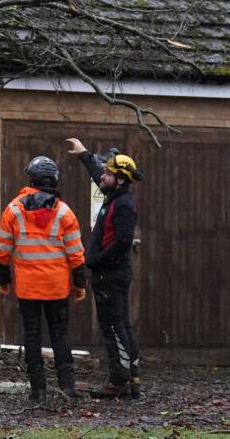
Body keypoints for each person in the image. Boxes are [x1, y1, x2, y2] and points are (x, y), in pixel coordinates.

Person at [0, 155, 88, 401]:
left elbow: (2, 250)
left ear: (32, 178)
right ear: (54, 179)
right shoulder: (65, 212)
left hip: (27, 289)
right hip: (57, 287)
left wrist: (3, 280)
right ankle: (67, 387)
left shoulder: (14, 209)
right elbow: (76, 254)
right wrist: (80, 285)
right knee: (60, 335)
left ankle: (38, 390)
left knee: (32, 337)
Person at [66, 137, 142, 399]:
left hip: (110, 275)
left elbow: (122, 243)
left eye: (109, 173)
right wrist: (84, 153)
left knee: (113, 328)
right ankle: (132, 379)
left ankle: (118, 382)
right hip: (110, 274)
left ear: (120, 179)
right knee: (121, 325)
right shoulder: (115, 195)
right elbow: (97, 172)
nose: (103, 175)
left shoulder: (123, 205)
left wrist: (94, 261)